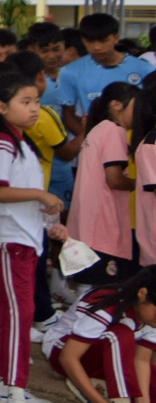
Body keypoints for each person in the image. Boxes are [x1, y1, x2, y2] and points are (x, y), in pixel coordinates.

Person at [0, 68, 62, 403]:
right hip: (9, 240)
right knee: (18, 316)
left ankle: (5, 385)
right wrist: (41, 195)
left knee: (14, 315)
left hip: (23, 239)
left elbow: (13, 192)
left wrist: (49, 221)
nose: (34, 109)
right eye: (24, 102)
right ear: (1, 106)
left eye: (36, 102)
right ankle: (14, 391)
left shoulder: (19, 141)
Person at [42, 267, 156, 403]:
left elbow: (141, 360)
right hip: (64, 351)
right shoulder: (107, 303)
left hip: (112, 358)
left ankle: (100, 384)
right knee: (120, 334)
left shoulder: (150, 314)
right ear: (142, 293)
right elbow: (68, 357)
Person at [67, 81, 139, 288]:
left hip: (87, 223)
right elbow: (114, 178)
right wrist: (141, 183)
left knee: (89, 289)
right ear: (117, 105)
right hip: (102, 225)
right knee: (103, 290)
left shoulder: (98, 129)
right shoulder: (115, 131)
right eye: (136, 106)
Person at [57, 13, 151, 137]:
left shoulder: (144, 69)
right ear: (83, 40)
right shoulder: (70, 72)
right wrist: (92, 139)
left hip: (134, 143)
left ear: (116, 38)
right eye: (90, 41)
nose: (97, 47)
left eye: (103, 41)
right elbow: (68, 115)